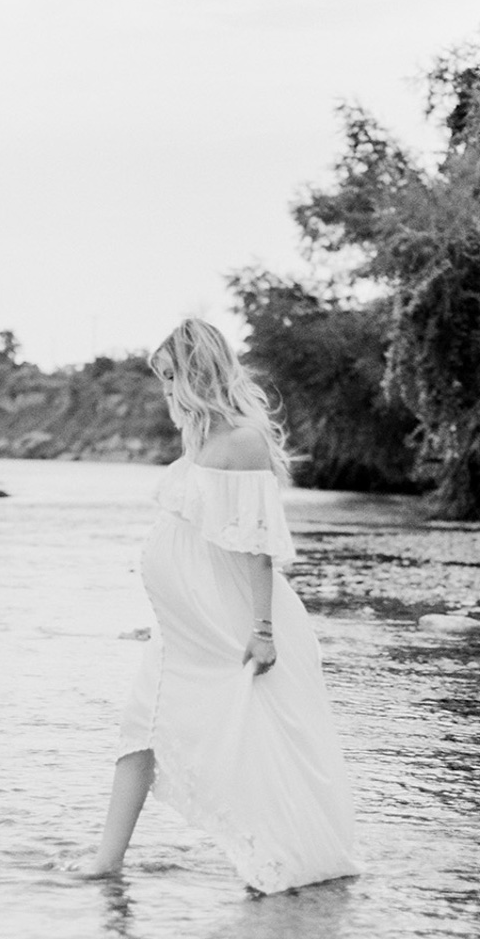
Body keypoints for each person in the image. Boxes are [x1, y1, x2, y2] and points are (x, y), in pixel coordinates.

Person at [87, 318, 359, 894]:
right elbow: (197, 539)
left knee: (247, 738)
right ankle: (108, 860)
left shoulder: (242, 441)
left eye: (169, 381)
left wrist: (262, 631)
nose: (164, 395)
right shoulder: (202, 437)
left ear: (195, 376)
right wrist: (169, 613)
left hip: (230, 623)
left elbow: (257, 547)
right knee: (140, 729)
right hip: (186, 628)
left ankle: (278, 858)